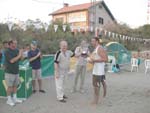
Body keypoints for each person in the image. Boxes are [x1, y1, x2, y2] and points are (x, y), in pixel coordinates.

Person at [89, 37, 108, 105]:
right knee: (97, 85)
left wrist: (94, 60)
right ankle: (104, 86)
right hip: (97, 70)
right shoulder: (96, 49)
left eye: (93, 41)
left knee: (96, 86)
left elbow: (106, 59)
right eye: (91, 41)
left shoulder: (100, 48)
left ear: (97, 41)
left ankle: (95, 101)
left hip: (98, 71)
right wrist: (91, 61)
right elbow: (97, 58)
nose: (92, 42)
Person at [4, 40, 23, 106]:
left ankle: (15, 98)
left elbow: (21, 59)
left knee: (15, 86)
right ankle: (9, 100)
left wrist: (21, 53)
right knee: (10, 87)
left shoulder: (17, 50)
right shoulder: (7, 51)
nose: (15, 45)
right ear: (11, 44)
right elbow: (12, 61)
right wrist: (19, 54)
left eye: (16, 43)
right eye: (14, 43)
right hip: (9, 72)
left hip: (16, 72)